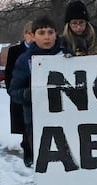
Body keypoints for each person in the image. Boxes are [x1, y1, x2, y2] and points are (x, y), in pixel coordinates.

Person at [8, 16, 72, 167]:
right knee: (45, 166)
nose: (47, 37)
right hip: (36, 121)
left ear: (56, 34)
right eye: (41, 33)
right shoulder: (25, 60)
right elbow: (13, 91)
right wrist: (27, 94)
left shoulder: (66, 56)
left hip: (66, 118)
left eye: (50, 32)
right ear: (33, 35)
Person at [4, 22, 35, 166]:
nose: (32, 36)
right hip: (22, 93)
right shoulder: (15, 51)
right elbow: (9, 73)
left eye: (34, 33)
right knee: (26, 126)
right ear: (25, 34)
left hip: (38, 93)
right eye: (29, 33)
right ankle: (28, 154)